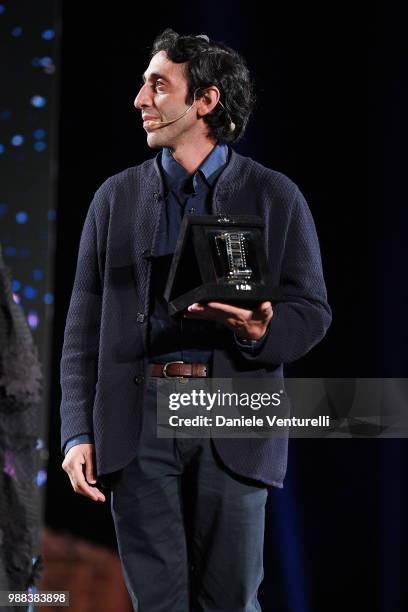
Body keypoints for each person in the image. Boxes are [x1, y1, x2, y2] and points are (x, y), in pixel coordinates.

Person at [61, 29, 331, 611]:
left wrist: (261, 329)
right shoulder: (114, 199)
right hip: (136, 424)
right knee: (157, 603)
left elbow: (312, 311)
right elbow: (81, 332)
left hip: (231, 414)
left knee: (231, 600)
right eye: (142, 83)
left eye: (158, 85)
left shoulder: (273, 194)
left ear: (205, 101)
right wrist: (76, 432)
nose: (140, 99)